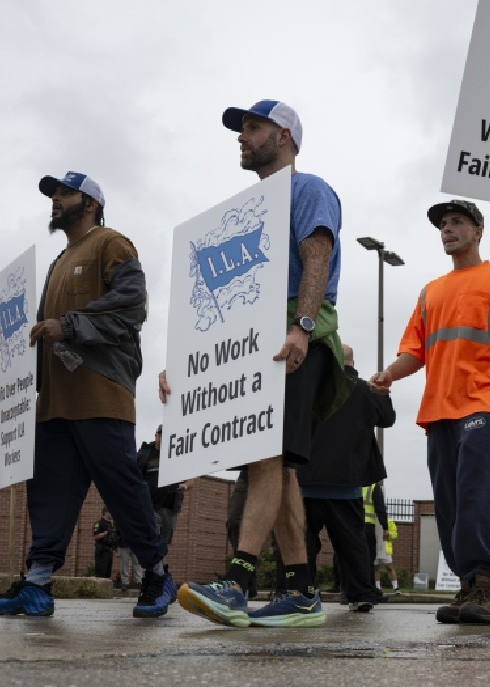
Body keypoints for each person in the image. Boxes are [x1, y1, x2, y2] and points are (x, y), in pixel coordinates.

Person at [170, 99, 347, 629]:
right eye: (241, 130)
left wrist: (304, 326)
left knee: (266, 453)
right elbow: (213, 297)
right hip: (252, 341)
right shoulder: (244, 211)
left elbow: (317, 253)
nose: (242, 137)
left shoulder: (308, 189)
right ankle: (301, 589)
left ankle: (238, 584)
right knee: (278, 466)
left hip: (294, 336)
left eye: (253, 127)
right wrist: (183, 363)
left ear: (285, 137)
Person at [0, 171, 175, 619]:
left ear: (90, 203)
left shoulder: (112, 244)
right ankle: (37, 585)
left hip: (101, 395)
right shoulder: (58, 261)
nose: (56, 200)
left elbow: (132, 305)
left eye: (65, 193)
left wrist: (67, 325)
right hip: (54, 401)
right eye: (53, 194)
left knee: (122, 489)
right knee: (49, 494)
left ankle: (158, 573)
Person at [369, 199, 490, 625]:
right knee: (446, 500)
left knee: (475, 490)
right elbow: (415, 351)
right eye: (443, 225)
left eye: (458, 222)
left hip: (486, 398)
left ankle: (487, 585)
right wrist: (390, 373)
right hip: (440, 407)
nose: (448, 230)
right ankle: (467, 583)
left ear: (479, 230)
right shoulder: (431, 291)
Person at [295, 344, 392, 612]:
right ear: (352, 362)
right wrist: (383, 394)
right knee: (352, 543)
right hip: (346, 482)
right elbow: (387, 418)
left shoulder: (312, 387)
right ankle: (360, 594)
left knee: (303, 543)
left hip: (307, 480)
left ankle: (300, 593)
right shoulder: (364, 389)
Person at [136, 427, 183, 547]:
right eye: (161, 435)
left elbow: (191, 479)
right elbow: (133, 475)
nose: (163, 438)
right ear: (156, 436)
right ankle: (155, 565)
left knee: (164, 542)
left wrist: (185, 486)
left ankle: (157, 564)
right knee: (152, 537)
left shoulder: (177, 453)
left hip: (168, 506)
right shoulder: (145, 454)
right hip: (149, 504)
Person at [92, 507, 115, 582]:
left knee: (107, 574)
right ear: (106, 513)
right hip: (102, 550)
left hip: (109, 551)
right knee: (100, 573)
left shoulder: (110, 524)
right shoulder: (99, 523)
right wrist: (106, 533)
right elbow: (96, 536)